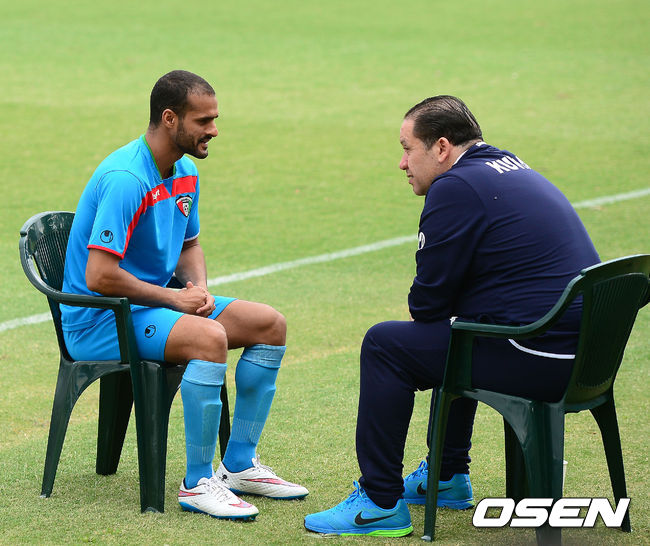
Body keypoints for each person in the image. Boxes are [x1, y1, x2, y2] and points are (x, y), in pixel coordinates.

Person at [304, 95, 600, 536]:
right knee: (460, 326)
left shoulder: (455, 186)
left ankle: (380, 502)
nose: (402, 164)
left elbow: (426, 305)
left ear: (441, 147)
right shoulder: (510, 165)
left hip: (540, 358)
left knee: (385, 345)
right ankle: (446, 475)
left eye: (407, 149)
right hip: (588, 359)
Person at [61, 70, 308, 521]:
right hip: (101, 320)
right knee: (209, 338)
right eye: (204, 120)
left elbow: (188, 246)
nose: (213, 130)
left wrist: (198, 289)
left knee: (269, 324)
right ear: (170, 118)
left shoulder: (186, 171)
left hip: (151, 307)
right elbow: (99, 276)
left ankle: (239, 465)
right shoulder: (126, 178)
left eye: (215, 119)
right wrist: (176, 300)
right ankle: (197, 483)